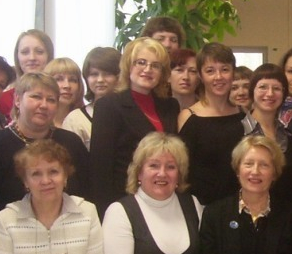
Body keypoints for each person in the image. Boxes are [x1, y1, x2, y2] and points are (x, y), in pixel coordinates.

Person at [0, 73, 90, 223]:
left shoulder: (71, 143)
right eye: (36, 97)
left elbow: (88, 193)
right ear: (18, 100)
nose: (44, 105)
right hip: (12, 231)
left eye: (51, 100)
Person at [90, 37, 179, 216]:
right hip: (124, 201)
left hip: (164, 199)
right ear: (128, 66)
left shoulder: (170, 106)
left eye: (155, 66)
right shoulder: (108, 106)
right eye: (141, 62)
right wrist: (106, 212)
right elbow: (100, 168)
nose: (148, 69)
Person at [177, 42, 245, 206]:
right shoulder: (188, 116)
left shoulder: (243, 114)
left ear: (233, 73)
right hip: (200, 206)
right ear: (200, 76)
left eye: (224, 69)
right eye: (210, 71)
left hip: (238, 204)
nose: (218, 77)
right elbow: (182, 170)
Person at [242, 66, 292, 203]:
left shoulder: (289, 137)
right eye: (263, 87)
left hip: (284, 211)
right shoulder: (237, 132)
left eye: (276, 88)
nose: (270, 94)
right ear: (252, 91)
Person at [62, 46, 121, 151]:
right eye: (94, 74)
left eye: (107, 74)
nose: (100, 80)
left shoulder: (127, 114)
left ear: (119, 77)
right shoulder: (75, 119)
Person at [0, 30, 54, 120]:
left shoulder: (61, 97)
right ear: (17, 57)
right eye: (25, 52)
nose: (32, 58)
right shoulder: (3, 100)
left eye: (39, 52)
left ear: (49, 55)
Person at [44, 57, 86, 129]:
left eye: (72, 80)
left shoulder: (85, 122)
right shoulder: (37, 122)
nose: (67, 86)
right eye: (59, 79)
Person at [167, 47, 200, 114]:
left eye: (192, 71)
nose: (186, 77)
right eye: (179, 70)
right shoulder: (158, 110)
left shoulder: (209, 111)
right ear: (168, 76)